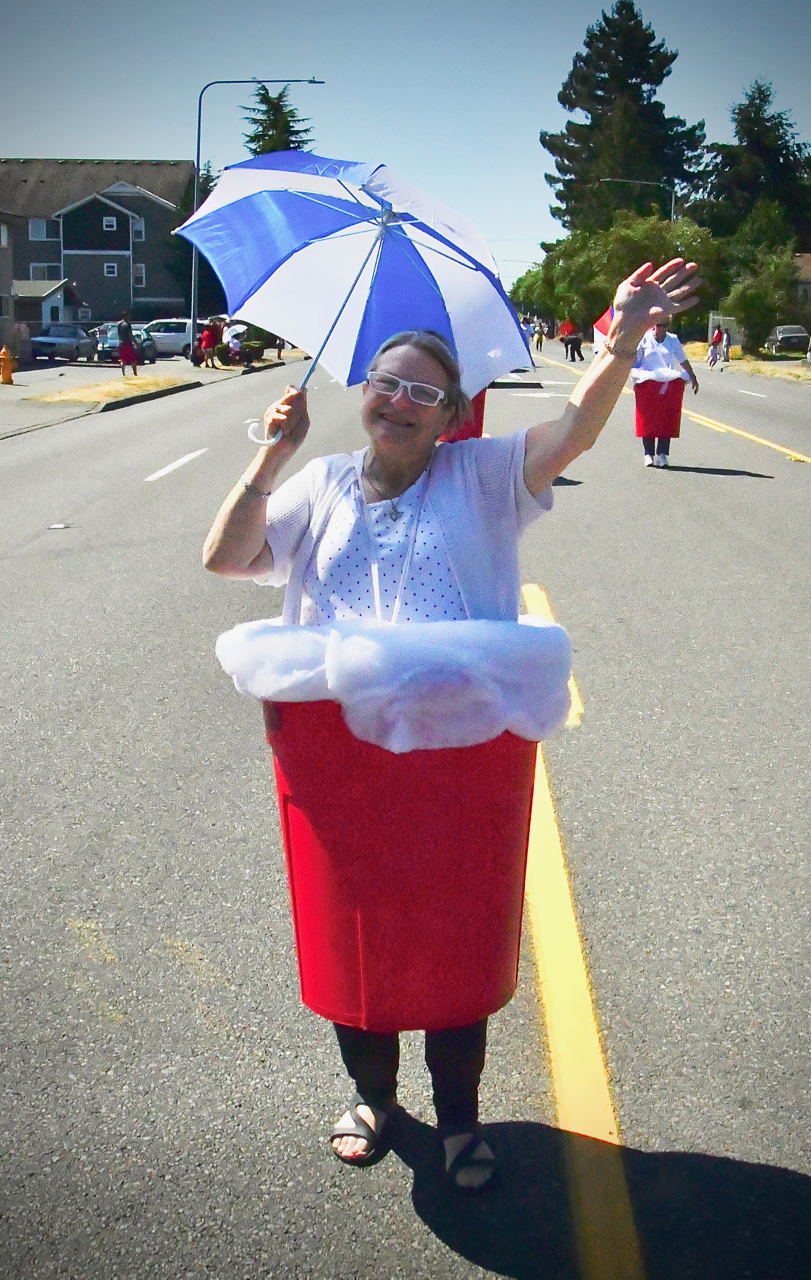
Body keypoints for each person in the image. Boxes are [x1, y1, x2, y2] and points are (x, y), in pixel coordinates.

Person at [202, 258, 700, 1192]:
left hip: (460, 756)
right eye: (386, 383)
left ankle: (460, 1119)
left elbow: (576, 428)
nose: (399, 402)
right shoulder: (317, 485)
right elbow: (227, 558)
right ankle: (375, 1100)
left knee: (449, 927)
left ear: (451, 413)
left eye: (422, 392)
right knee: (353, 918)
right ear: (366, 393)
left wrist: (623, 338)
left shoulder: (485, 476)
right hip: (337, 750)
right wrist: (269, 456)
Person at [632, 318, 699, 467]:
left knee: (666, 417)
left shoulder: (673, 340)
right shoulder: (645, 339)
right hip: (648, 382)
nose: (660, 328)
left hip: (667, 383)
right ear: (653, 325)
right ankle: (648, 454)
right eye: (658, 325)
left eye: (664, 325)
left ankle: (662, 454)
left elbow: (682, 360)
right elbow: (635, 360)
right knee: (648, 418)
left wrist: (693, 377)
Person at [117, 311, 138, 377]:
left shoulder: (119, 324)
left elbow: (119, 334)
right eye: (128, 316)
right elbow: (130, 335)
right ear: (126, 316)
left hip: (121, 343)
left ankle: (123, 373)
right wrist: (136, 343)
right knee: (132, 359)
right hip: (128, 344)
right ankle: (135, 373)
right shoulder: (128, 325)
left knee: (123, 359)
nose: (129, 317)